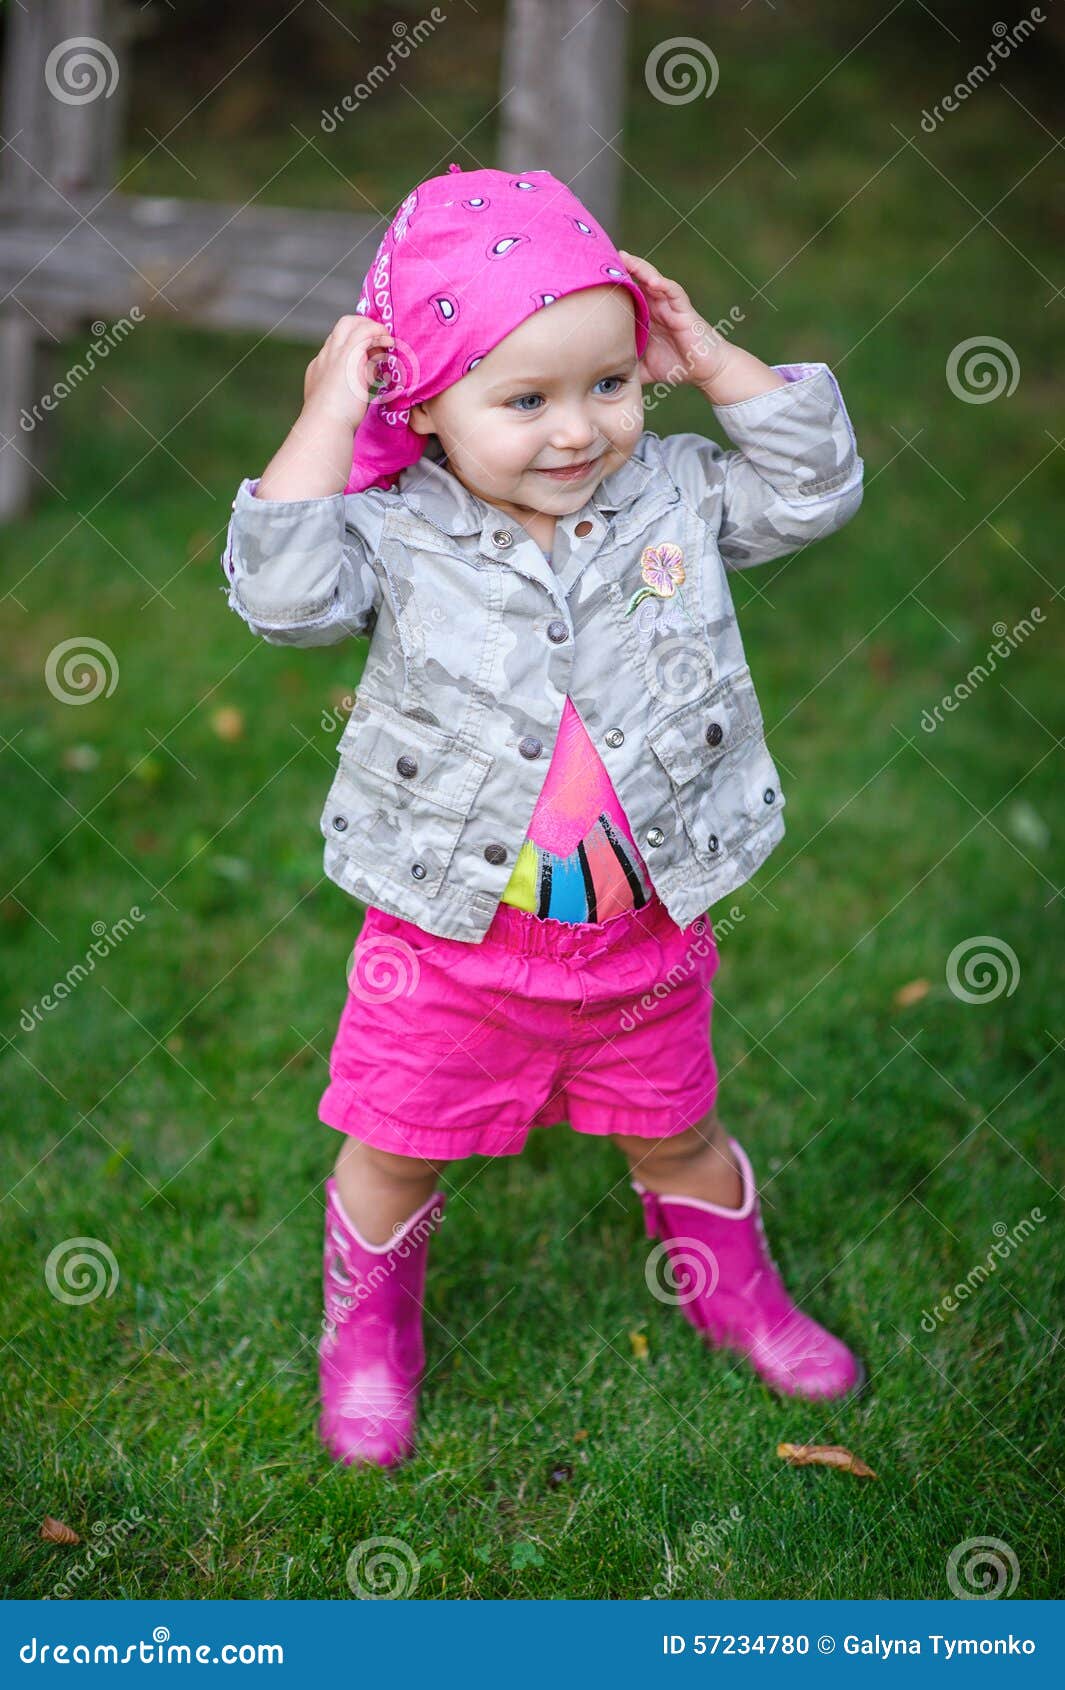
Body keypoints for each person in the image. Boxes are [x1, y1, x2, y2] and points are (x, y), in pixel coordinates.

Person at [220, 164, 867, 1471]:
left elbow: (813, 491)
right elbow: (281, 596)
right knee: (396, 1146)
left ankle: (731, 1289)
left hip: (639, 937)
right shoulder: (393, 528)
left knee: (676, 1121)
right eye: (523, 400)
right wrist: (325, 418)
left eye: (610, 384)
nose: (576, 431)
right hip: (450, 944)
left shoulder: (676, 493)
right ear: (426, 404)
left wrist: (713, 355)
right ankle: (367, 1335)